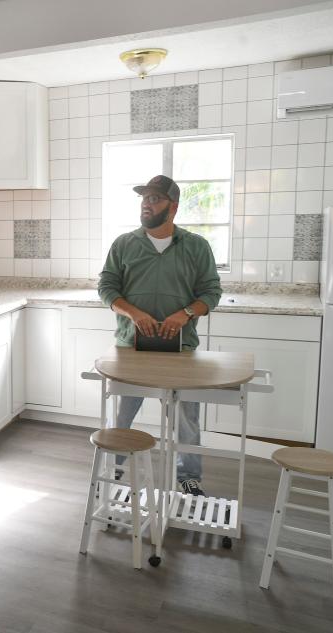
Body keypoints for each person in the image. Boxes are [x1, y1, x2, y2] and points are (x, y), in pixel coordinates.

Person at [98, 174, 222, 498]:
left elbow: (211, 292)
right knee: (123, 412)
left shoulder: (196, 246)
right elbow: (106, 288)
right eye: (144, 198)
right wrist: (133, 313)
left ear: (173, 207)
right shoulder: (124, 244)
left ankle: (188, 478)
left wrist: (186, 314)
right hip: (131, 347)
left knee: (187, 417)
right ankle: (114, 469)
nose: (146, 204)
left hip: (181, 349)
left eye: (155, 199)